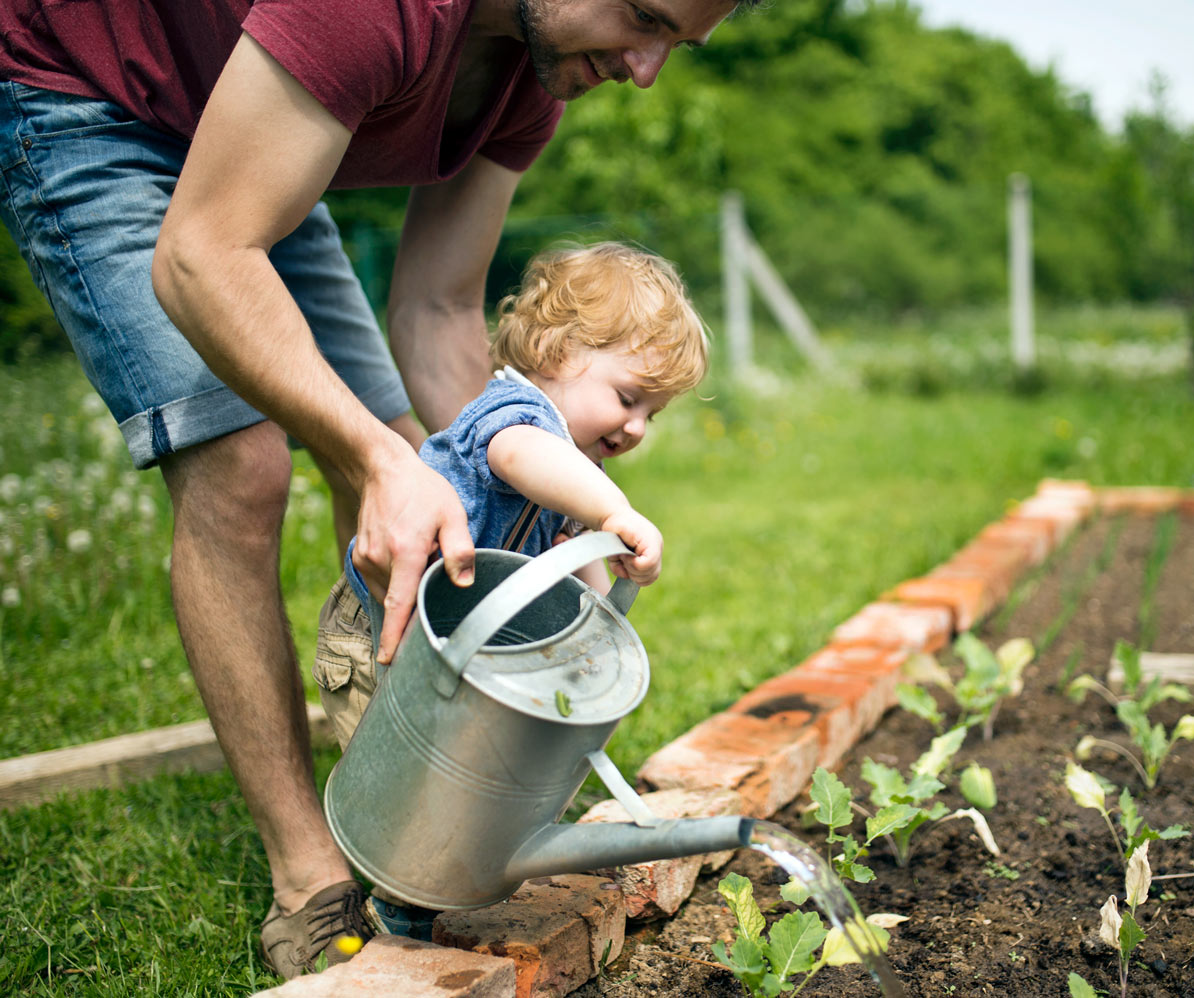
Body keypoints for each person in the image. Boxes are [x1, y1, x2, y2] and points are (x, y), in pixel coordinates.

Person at [0, 0, 745, 978]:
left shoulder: (539, 63)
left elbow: (437, 312)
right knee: (243, 464)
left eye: (676, 45)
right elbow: (201, 252)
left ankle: (408, 769)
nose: (646, 68)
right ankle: (310, 874)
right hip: (87, 95)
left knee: (412, 458)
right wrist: (378, 463)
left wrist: (466, 470)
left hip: (242, 124)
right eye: (644, 15)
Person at [315, 240, 706, 938]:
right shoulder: (514, 418)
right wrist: (613, 510)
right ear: (558, 353)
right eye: (628, 397)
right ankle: (394, 907)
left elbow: (562, 556)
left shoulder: (569, 462)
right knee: (404, 786)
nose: (638, 426)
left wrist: (599, 600)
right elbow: (521, 457)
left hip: (458, 655)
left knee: (466, 775)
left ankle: (432, 889)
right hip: (384, 638)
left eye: (655, 412)